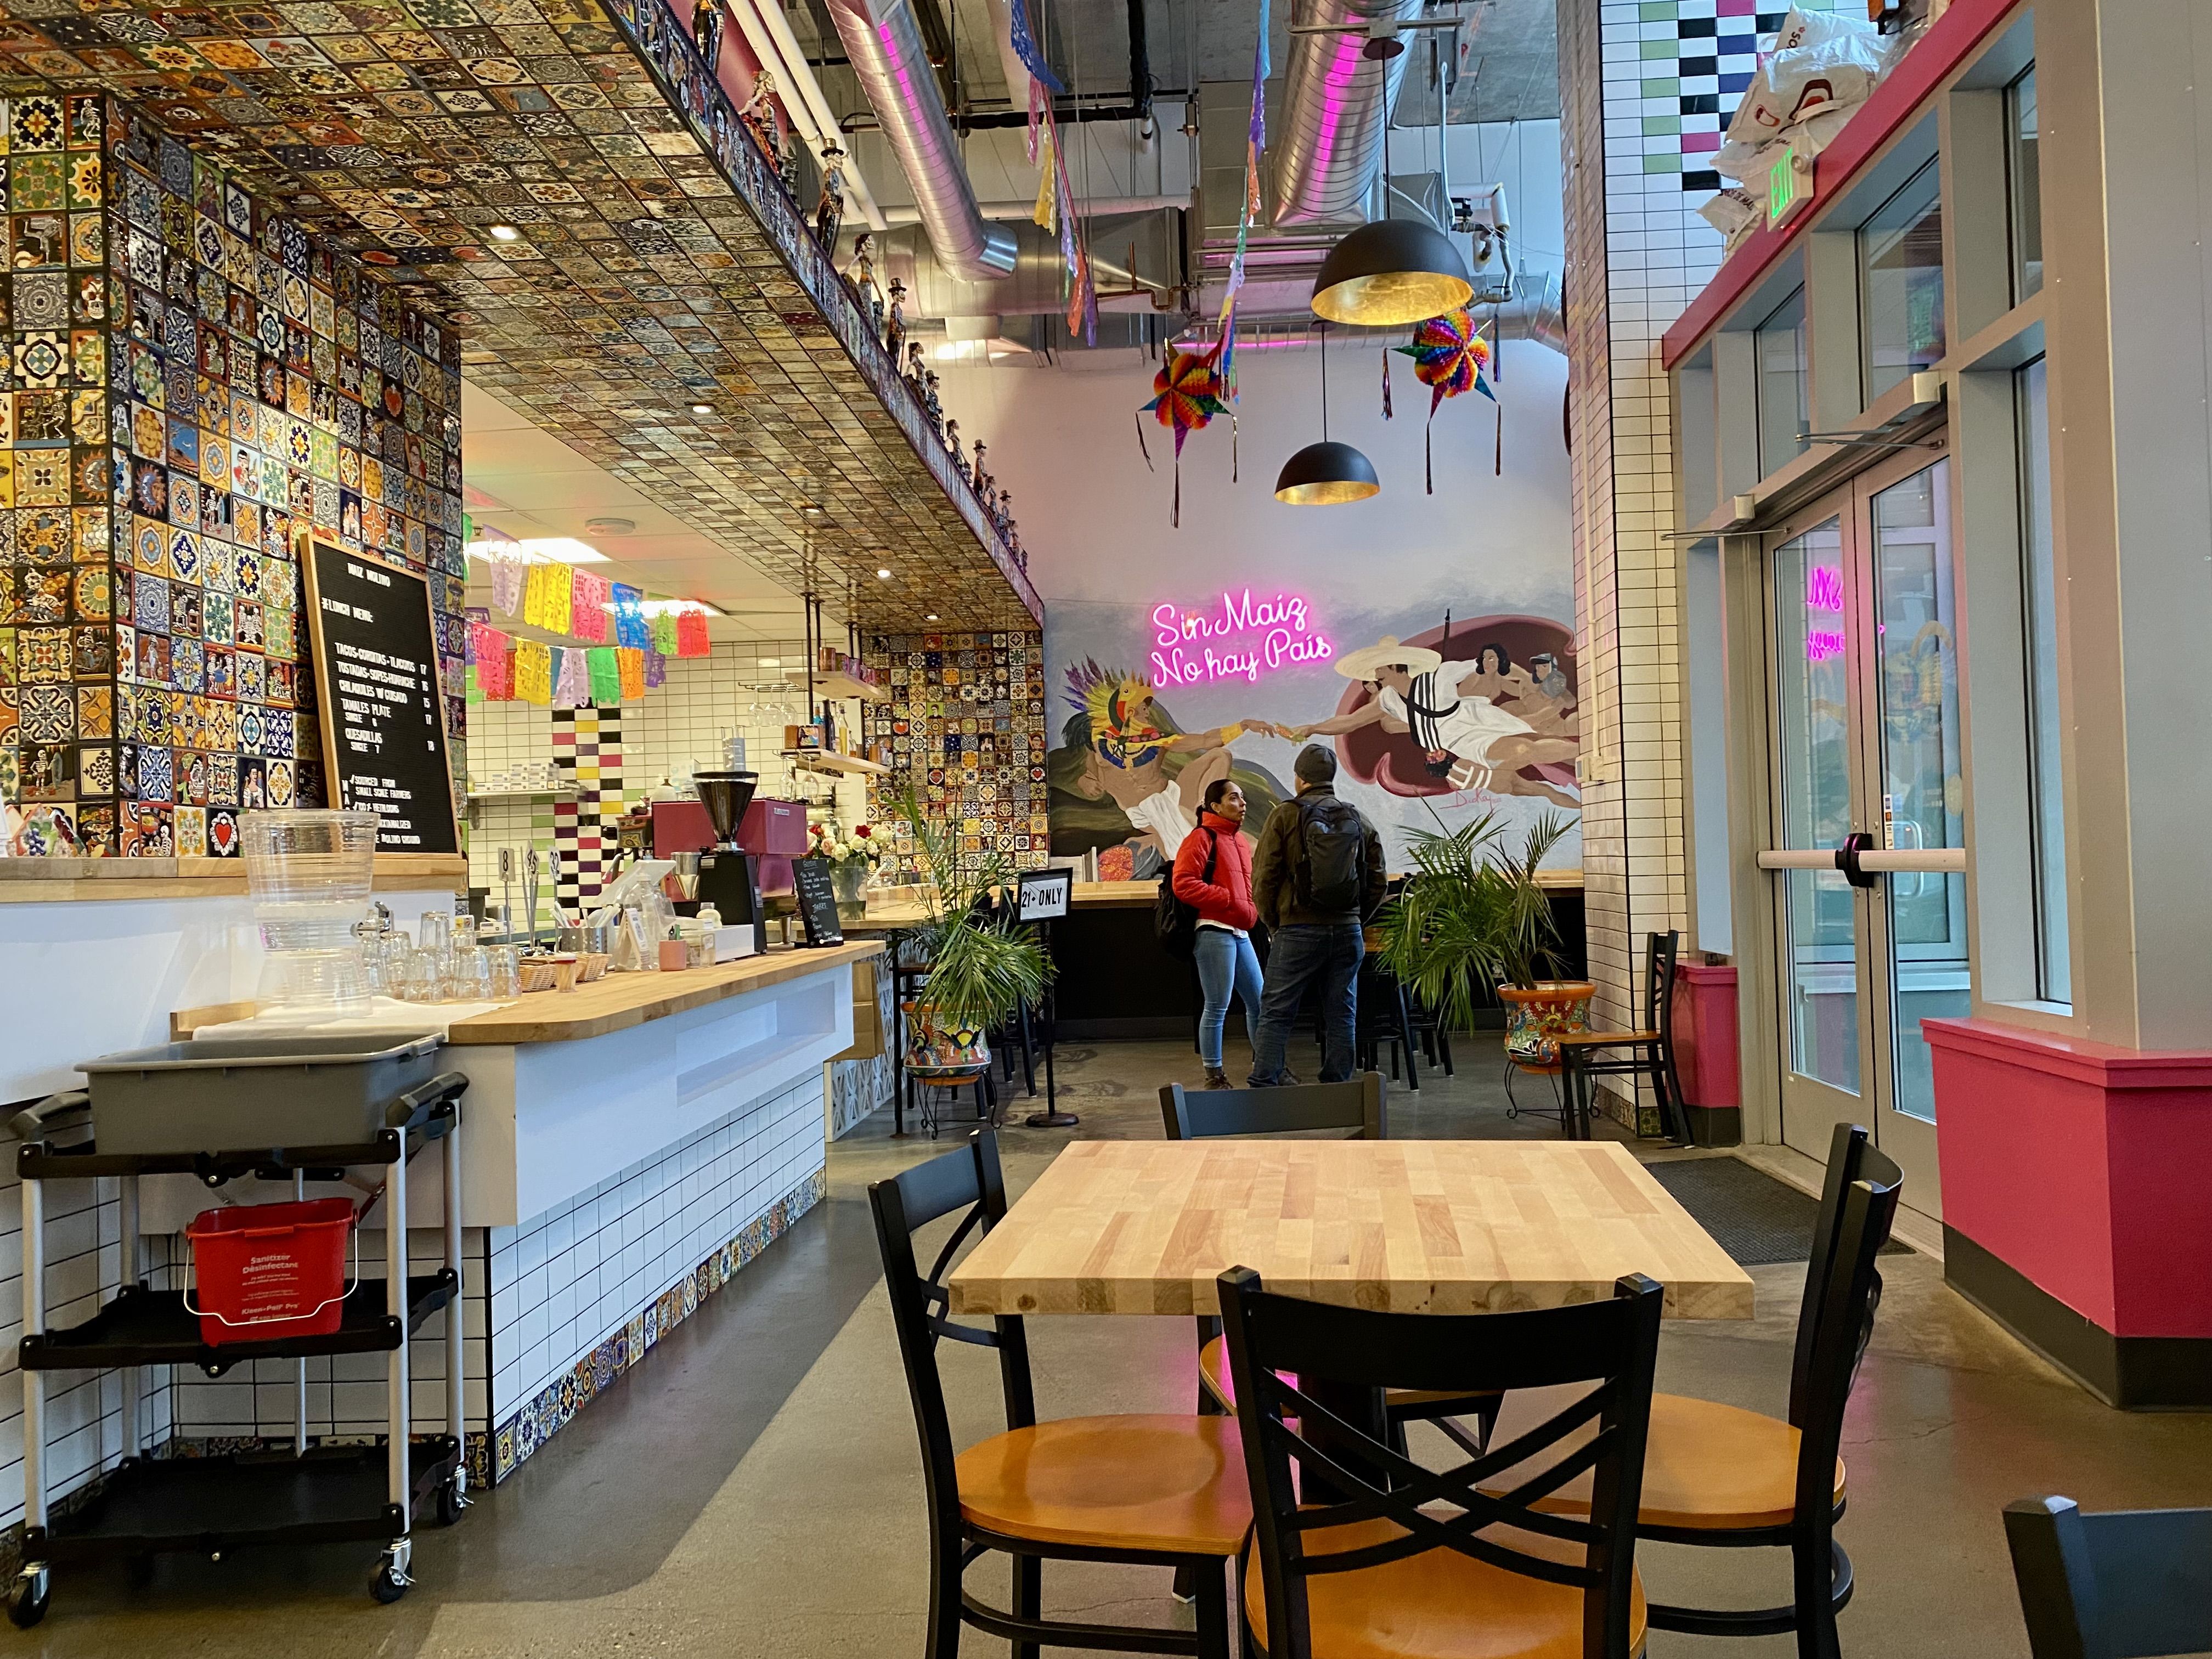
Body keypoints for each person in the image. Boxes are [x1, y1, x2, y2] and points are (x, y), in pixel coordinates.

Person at [1289, 636, 1581, 808]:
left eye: (1379, 668)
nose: (1375, 674)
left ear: (1394, 666)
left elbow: (1492, 666)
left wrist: (1527, 680)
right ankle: (1584, 755)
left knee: (1528, 749)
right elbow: (1349, 722)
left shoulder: (1438, 677)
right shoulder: (1387, 700)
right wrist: (1314, 728)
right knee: (1523, 756)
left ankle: (1586, 750)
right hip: (1461, 743)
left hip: (1476, 722)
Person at [1248, 745, 1385, 1087]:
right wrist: (1355, 917)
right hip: (1347, 930)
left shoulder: (1285, 815)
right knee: (1342, 1012)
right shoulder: (1356, 817)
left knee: (1277, 1011)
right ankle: (1338, 1086)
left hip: (1297, 929)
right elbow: (1378, 879)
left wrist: (1274, 923)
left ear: (1299, 777)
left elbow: (1264, 876)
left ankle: (1265, 1082)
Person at [1172, 779, 1261, 1090]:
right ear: (1215, 806)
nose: (1243, 803)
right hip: (1213, 930)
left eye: (1243, 797)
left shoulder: (1240, 842)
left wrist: (1250, 910)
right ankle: (1215, 1075)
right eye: (1234, 798)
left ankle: (1265, 1066)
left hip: (1240, 930)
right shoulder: (1201, 836)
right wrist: (1226, 899)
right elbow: (1182, 883)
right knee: (1217, 1005)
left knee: (1259, 1001)